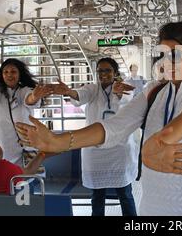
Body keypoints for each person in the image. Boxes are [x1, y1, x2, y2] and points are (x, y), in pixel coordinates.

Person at [16, 20, 182, 216]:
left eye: (176, 55)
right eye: (163, 55)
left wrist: (157, 143)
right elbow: (115, 126)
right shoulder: (154, 92)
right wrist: (58, 141)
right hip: (155, 204)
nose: (167, 62)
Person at [52, 58, 137, 216]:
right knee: (97, 196)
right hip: (95, 151)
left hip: (119, 149)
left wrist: (118, 93)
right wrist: (69, 91)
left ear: (115, 73)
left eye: (108, 70)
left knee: (125, 194)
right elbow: (81, 95)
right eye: (100, 71)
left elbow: (127, 100)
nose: (103, 74)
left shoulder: (124, 88)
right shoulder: (92, 89)